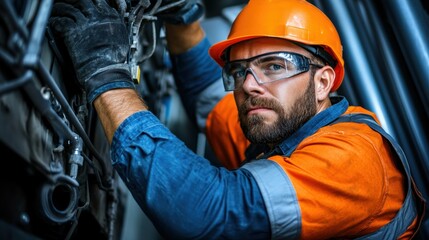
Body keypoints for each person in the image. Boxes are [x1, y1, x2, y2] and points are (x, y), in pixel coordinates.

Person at [50, 0, 425, 239]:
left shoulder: (356, 159)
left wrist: (106, 74)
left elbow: (207, 214)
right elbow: (211, 100)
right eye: (240, 70)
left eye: (274, 65)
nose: (250, 86)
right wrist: (184, 17)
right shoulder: (277, 126)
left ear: (324, 81)